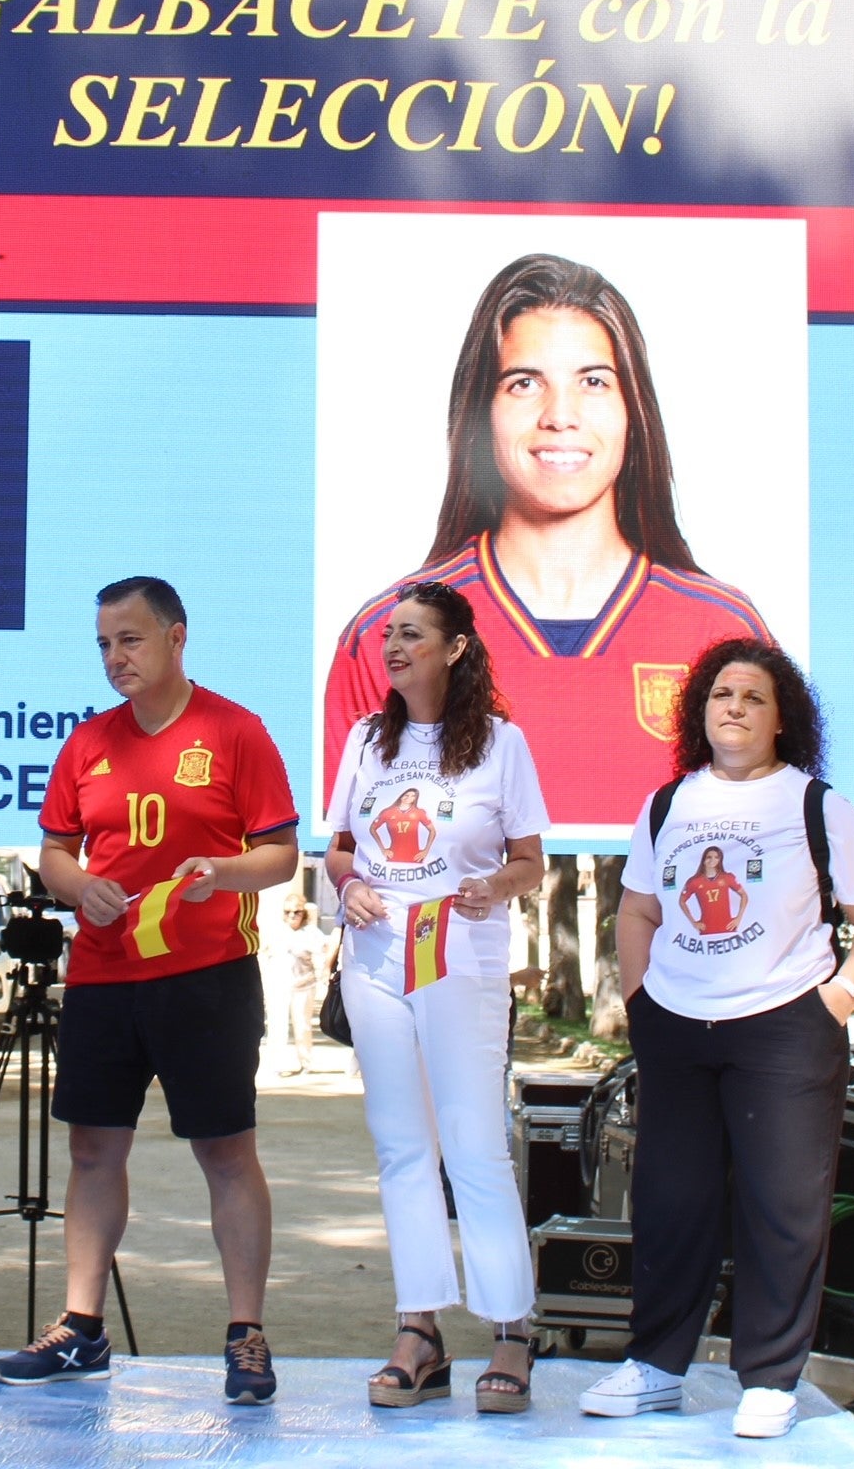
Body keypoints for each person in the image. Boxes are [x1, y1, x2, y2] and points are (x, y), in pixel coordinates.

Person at [323, 254, 774, 839]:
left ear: (632, 407)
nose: (561, 416)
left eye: (593, 381)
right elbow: (349, 852)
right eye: (525, 383)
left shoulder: (721, 626)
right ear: (480, 410)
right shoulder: (385, 634)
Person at [0, 578, 300, 1404]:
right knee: (93, 1147)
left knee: (225, 1150)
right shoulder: (88, 743)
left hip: (208, 979)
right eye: (102, 644)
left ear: (176, 638)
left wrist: (221, 872)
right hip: (102, 977)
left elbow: (281, 855)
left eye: (129, 639)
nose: (114, 658)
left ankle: (245, 1336)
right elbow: (55, 851)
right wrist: (75, 885)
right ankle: (81, 1329)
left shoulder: (236, 731)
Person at [592, 638, 854, 1433]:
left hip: (785, 1030)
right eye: (721, 694)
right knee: (671, 1201)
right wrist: (641, 1002)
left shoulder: (817, 805)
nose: (733, 706)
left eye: (753, 697)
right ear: (701, 711)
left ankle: (769, 1379)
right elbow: (637, 907)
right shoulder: (668, 804)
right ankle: (656, 1365)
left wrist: (836, 999)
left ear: (780, 719)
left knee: (782, 1205)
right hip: (677, 1027)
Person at [323, 580, 548, 1414]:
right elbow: (340, 851)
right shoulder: (366, 741)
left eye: (412, 634)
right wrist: (346, 888)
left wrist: (496, 885)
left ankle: (511, 1330)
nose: (393, 647)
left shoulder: (500, 744)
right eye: (388, 634)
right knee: (400, 1147)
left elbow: (532, 861)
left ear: (455, 648)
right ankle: (419, 1328)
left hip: (460, 961)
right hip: (376, 963)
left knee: (473, 1145)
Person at [262, 900, 326, 1078]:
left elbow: (321, 953)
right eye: (288, 911)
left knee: (302, 1025)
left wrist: (321, 974)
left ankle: (305, 1062)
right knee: (277, 1026)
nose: (292, 915)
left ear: (303, 914)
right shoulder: (275, 931)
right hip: (278, 983)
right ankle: (277, 1064)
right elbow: (264, 952)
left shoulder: (312, 933)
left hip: (304, 984)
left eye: (297, 911)